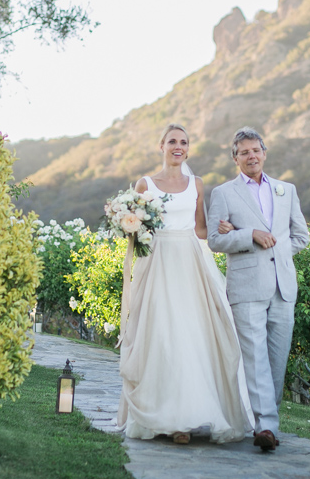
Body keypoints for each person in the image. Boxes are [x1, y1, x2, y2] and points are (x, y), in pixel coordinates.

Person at [116, 123, 253, 445]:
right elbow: (134, 230)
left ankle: (188, 419)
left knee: (191, 335)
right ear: (161, 146)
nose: (178, 146)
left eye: (184, 142)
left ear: (188, 150)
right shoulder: (145, 184)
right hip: (158, 262)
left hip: (190, 261)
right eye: (172, 141)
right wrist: (126, 224)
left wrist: (229, 228)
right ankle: (168, 418)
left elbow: (201, 230)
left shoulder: (197, 184)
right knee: (161, 333)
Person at [206, 126, 310, 452]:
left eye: (256, 150)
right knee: (256, 360)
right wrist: (248, 235)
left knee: (277, 361)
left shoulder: (286, 190)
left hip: (283, 286)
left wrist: (274, 252)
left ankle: (266, 417)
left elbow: (300, 238)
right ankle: (266, 427)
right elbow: (214, 239)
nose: (251, 156)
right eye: (244, 152)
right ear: (235, 158)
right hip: (246, 286)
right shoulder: (223, 194)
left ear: (264, 153)